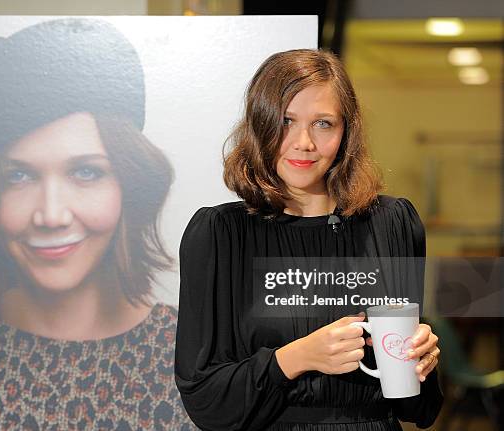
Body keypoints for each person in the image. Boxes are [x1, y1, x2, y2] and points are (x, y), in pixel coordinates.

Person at [0, 19, 195, 430]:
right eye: (17, 177)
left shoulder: (200, 357)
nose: (51, 215)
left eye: (86, 173)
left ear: (130, 185)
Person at [175, 49, 443, 430]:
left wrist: (425, 361)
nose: (303, 142)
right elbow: (205, 401)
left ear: (346, 132)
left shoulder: (392, 224)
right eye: (286, 121)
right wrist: (296, 358)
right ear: (259, 124)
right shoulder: (219, 234)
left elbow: (418, 409)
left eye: (323, 124)